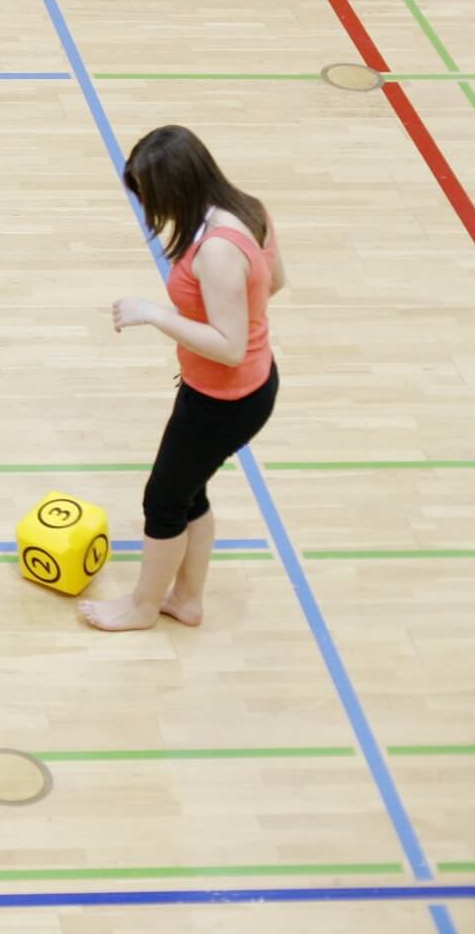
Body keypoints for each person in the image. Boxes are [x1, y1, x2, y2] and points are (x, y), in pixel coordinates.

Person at [83, 125, 285, 632]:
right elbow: (275, 281)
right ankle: (187, 600)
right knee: (189, 491)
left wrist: (154, 313)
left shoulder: (216, 250)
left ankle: (142, 607)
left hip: (224, 398)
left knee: (164, 501)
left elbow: (229, 345)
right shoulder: (248, 210)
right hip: (240, 387)